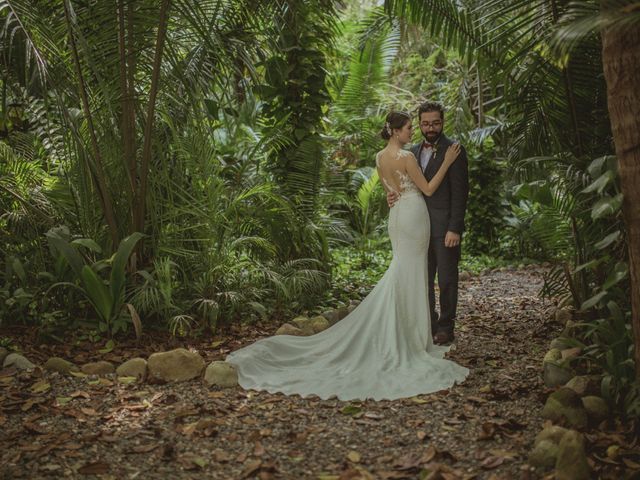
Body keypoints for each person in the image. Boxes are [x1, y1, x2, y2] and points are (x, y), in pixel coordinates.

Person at [225, 111, 468, 401]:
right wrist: (447, 162)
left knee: (405, 272)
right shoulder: (408, 157)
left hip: (399, 217)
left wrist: (395, 195)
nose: (413, 132)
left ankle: (416, 333)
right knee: (412, 274)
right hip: (414, 215)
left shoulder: (379, 158)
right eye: (409, 128)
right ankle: (411, 338)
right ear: (396, 131)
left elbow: (390, 192)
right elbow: (427, 188)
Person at [388, 102, 469, 345]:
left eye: (435, 122)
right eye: (425, 123)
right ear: (420, 123)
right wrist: (390, 195)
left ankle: (445, 327)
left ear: (442, 122)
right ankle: (428, 324)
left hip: (444, 228)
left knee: (446, 279)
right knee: (421, 279)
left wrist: (455, 227)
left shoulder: (454, 149)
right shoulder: (410, 151)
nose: (430, 127)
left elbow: (460, 191)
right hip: (416, 228)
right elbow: (404, 186)